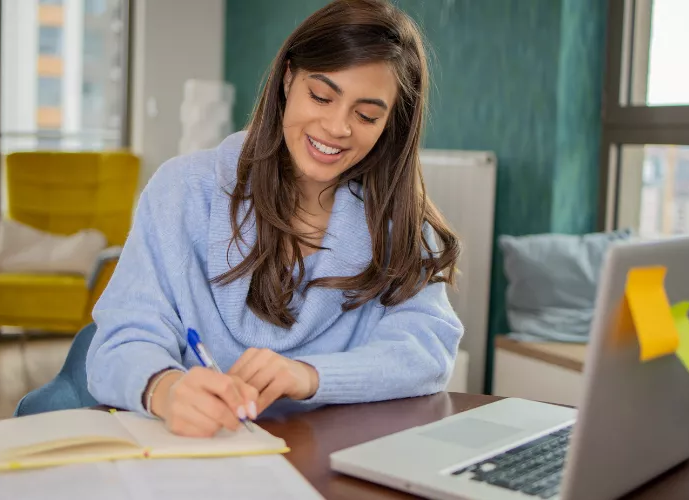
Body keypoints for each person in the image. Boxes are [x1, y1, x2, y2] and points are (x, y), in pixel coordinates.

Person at [85, 0, 463, 438]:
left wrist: (308, 375)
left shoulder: (399, 224)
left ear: (389, 124)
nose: (336, 127)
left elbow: (427, 349)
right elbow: (119, 341)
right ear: (288, 78)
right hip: (193, 455)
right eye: (321, 96)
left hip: (325, 460)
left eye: (366, 115)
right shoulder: (183, 191)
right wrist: (165, 389)